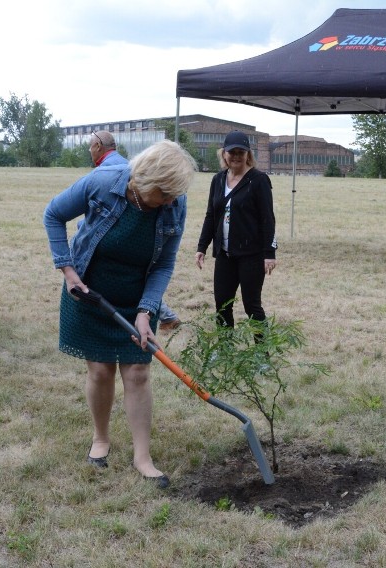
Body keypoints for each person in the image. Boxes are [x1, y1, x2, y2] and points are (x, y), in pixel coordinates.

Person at [43, 140, 197, 488]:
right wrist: (68, 272)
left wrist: (147, 310)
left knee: (138, 372)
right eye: (165, 194)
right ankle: (101, 439)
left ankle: (143, 458)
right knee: (99, 370)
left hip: (136, 297)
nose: (171, 201)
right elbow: (53, 214)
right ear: (145, 182)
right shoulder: (102, 183)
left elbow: (165, 263)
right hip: (88, 291)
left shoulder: (175, 204)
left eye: (175, 194)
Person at [195, 131, 277, 328]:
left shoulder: (258, 180)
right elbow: (211, 215)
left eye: (241, 152)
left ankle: (261, 354)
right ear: (224, 154)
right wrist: (202, 247)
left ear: (248, 154)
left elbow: (268, 218)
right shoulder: (218, 180)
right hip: (225, 254)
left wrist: (270, 253)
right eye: (232, 152)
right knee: (222, 306)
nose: (236, 156)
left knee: (252, 307)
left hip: (251, 255)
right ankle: (225, 351)